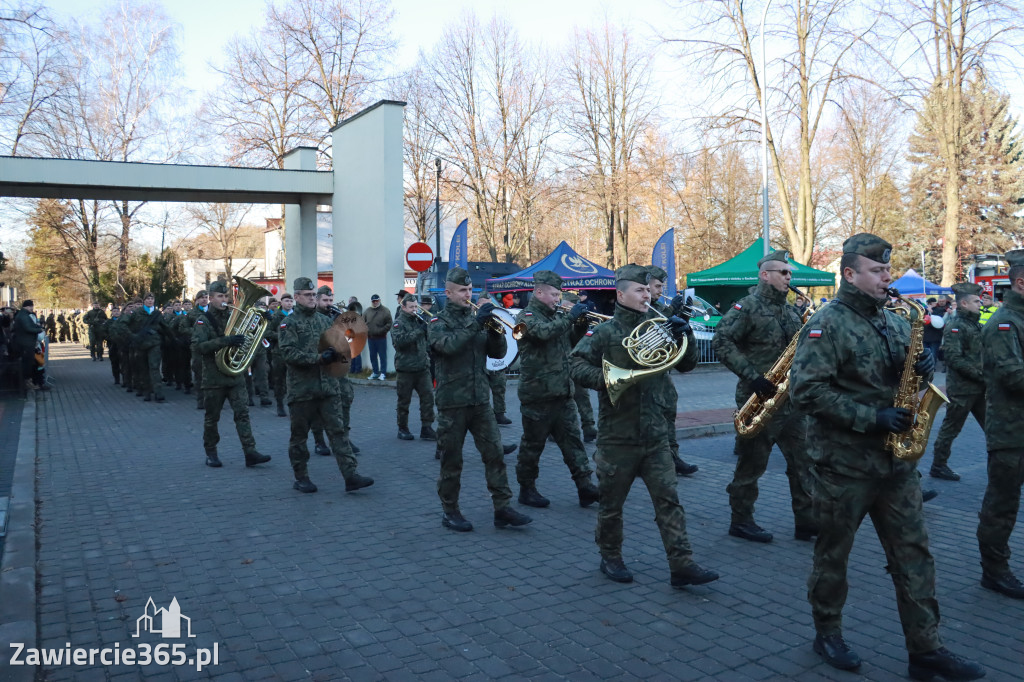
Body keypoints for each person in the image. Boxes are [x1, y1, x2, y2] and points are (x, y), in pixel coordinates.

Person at [790, 233, 984, 679]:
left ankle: (926, 649)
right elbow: (805, 393)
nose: (886, 277)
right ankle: (828, 633)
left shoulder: (898, 320)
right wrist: (870, 416)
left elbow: (908, 378)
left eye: (886, 270)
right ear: (850, 274)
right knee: (833, 554)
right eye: (876, 271)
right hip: (845, 464)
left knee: (914, 554)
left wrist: (921, 371)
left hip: (896, 464)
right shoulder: (826, 322)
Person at [570, 264, 718, 589]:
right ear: (620, 294)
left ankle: (682, 564)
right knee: (611, 506)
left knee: (669, 501)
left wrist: (686, 333)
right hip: (617, 437)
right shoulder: (605, 332)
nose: (646, 295)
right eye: (639, 290)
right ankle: (610, 557)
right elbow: (576, 365)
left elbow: (688, 364)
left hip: (656, 435)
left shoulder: (660, 324)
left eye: (648, 290)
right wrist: (609, 380)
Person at [712, 251, 816, 543]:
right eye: (782, 272)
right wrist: (752, 375)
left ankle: (806, 521)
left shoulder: (793, 310)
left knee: (804, 462)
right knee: (752, 465)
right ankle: (741, 520)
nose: (788, 277)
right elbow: (722, 341)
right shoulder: (747, 307)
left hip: (791, 401)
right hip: (758, 400)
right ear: (764, 274)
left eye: (790, 273)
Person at [428, 267, 532, 532]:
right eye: (462, 290)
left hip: (479, 400)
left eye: (469, 289)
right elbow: (449, 347)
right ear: (449, 293)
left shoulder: (478, 317)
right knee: (452, 460)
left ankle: (502, 508)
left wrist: (495, 331)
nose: (467, 294)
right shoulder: (437, 323)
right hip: (452, 401)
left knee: (495, 454)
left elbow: (498, 353)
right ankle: (450, 510)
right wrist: (476, 325)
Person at [513, 271, 600, 508]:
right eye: (553, 294)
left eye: (558, 295)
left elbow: (570, 341)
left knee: (573, 442)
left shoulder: (556, 317)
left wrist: (580, 325)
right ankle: (526, 489)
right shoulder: (524, 317)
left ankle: (585, 486)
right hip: (537, 395)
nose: (557, 299)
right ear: (538, 292)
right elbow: (541, 334)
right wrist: (570, 318)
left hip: (562, 392)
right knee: (533, 445)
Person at [279, 277, 374, 494]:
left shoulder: (323, 321)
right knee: (299, 436)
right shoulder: (288, 323)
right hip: (302, 389)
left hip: (328, 387)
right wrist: (318, 358)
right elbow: (288, 353)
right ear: (296, 297)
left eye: (314, 295)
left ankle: (351, 475)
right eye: (308, 295)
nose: (312, 299)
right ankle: (301, 477)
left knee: (338, 432)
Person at [976, 249, 1024, 600]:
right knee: (1002, 504)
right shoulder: (1003, 324)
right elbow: (1013, 376)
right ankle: (994, 570)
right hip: (1011, 432)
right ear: (1020, 283)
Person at [190, 281, 272, 469]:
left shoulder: (234, 316)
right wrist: (225, 341)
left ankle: (250, 452)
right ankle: (211, 453)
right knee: (212, 418)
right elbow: (197, 347)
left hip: (235, 376)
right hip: (213, 378)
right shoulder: (203, 320)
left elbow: (251, 334)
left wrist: (265, 320)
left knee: (243, 415)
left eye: (226, 296)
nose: (225, 300)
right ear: (211, 298)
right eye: (220, 296)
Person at [929, 282, 985, 481]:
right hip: (962, 389)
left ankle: (1007, 466)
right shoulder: (956, 326)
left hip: (980, 388)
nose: (981, 304)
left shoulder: (975, 324)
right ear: (963, 303)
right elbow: (953, 358)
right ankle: (938, 465)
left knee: (994, 427)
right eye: (976, 301)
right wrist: (980, 375)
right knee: (950, 428)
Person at [647, 266, 699, 476]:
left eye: (661, 286)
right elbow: (655, 338)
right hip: (644, 379)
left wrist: (682, 318)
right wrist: (672, 314)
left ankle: (673, 457)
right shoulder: (641, 310)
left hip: (662, 378)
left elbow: (674, 344)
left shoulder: (658, 307)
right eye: (657, 286)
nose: (661, 290)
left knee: (668, 418)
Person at [391, 294, 437, 441]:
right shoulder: (398, 323)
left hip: (422, 366)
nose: (414, 310)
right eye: (411, 307)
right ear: (403, 307)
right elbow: (399, 342)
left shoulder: (418, 320)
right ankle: (402, 428)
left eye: (416, 307)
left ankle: (427, 427)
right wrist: (419, 331)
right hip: (406, 368)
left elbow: (426, 340)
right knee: (404, 401)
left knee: (428, 397)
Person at [477, 292, 512, 425]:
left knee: (499, 386)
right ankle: (482, 416)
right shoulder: (472, 318)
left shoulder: (494, 317)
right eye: (486, 305)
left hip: (495, 360)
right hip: (481, 361)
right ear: (479, 304)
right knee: (482, 390)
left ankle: (500, 413)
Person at [126, 292, 168, 402]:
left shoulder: (157, 313)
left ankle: (158, 393)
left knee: (154, 368)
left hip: (154, 344)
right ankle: (147, 392)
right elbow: (128, 326)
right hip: (141, 344)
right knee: (143, 369)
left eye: (152, 299)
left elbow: (165, 328)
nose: (150, 301)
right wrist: (133, 337)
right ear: (144, 301)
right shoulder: (137, 313)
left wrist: (172, 339)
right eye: (148, 299)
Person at [267, 292, 294, 417]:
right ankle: (279, 404)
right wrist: (282, 337)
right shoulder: (275, 316)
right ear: (281, 303)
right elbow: (267, 332)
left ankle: (293, 404)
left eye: (290, 301)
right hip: (279, 353)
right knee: (279, 380)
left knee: (294, 380)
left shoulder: (296, 315)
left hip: (294, 353)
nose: (289, 303)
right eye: (286, 301)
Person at [12, 300, 49, 391]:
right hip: (26, 344)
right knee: (29, 364)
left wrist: (38, 328)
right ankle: (29, 383)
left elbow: (32, 325)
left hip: (28, 343)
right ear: (26, 307)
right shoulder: (24, 316)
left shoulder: (24, 315)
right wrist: (40, 330)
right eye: (30, 306)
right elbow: (29, 328)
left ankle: (34, 382)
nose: (32, 308)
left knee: (34, 363)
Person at [364, 293, 392, 380]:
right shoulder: (367, 311)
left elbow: (389, 323)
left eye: (376, 301)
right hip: (371, 338)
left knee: (382, 356)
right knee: (373, 356)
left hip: (381, 338)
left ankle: (383, 373)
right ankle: (375, 372)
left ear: (379, 300)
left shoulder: (385, 311)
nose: (375, 302)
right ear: (371, 301)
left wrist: (382, 331)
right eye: (373, 301)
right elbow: (362, 322)